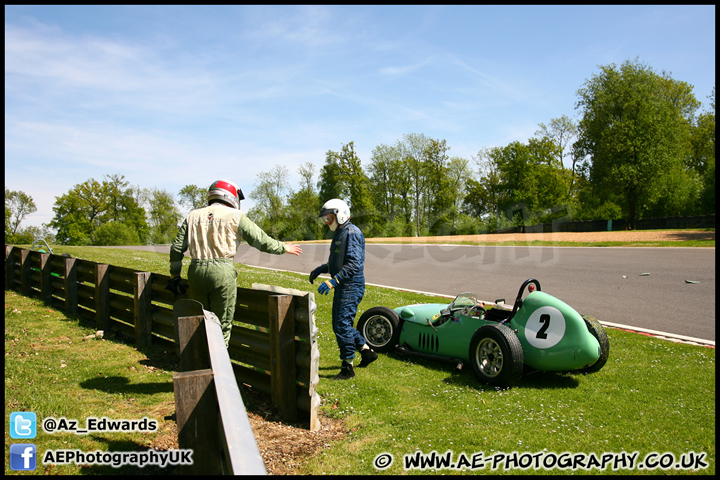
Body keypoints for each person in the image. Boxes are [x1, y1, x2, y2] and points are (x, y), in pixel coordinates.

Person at [168, 179, 302, 347]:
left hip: (195, 271)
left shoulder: (192, 216)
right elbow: (261, 241)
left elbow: (176, 249)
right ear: (231, 196)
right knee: (221, 326)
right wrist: (284, 247)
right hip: (222, 272)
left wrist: (175, 275)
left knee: (199, 321)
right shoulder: (236, 216)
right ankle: (218, 369)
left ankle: (198, 364)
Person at [309, 198, 377, 380]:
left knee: (342, 325)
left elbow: (354, 263)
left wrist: (334, 281)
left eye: (329, 218)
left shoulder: (352, 233)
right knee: (341, 324)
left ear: (340, 215)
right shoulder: (341, 233)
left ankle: (347, 367)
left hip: (351, 285)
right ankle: (366, 351)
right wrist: (322, 269)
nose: (327, 221)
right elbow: (339, 262)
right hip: (345, 284)